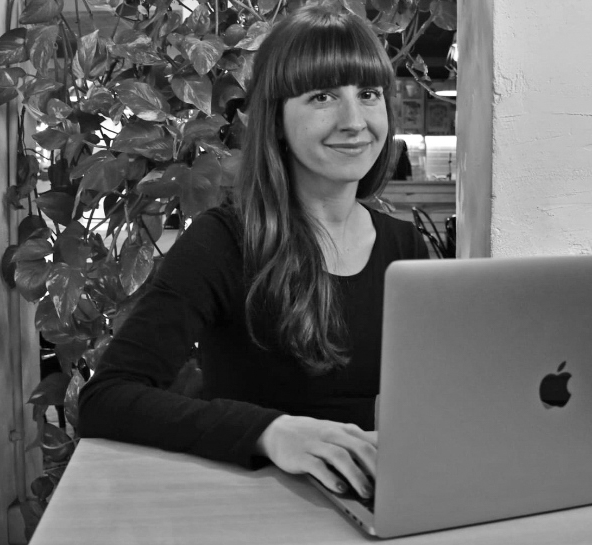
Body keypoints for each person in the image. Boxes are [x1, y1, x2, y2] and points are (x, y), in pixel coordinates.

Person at [78, 2, 430, 501]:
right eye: (323, 96)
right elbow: (106, 399)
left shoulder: (406, 247)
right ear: (277, 120)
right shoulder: (222, 242)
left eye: (369, 94)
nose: (355, 121)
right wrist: (270, 431)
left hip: (386, 504)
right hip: (259, 509)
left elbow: (437, 400)